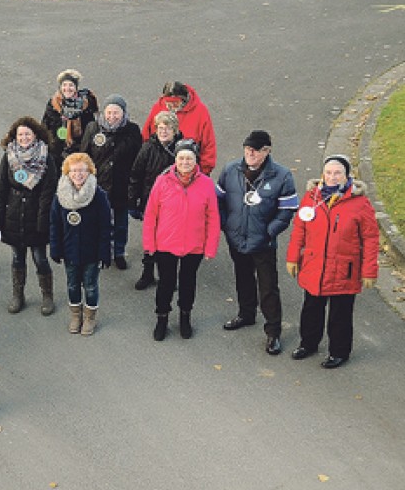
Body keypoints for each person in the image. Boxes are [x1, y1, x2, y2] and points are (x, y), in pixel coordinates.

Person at [285, 155, 379, 369]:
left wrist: (369, 271)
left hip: (344, 269)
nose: (332, 177)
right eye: (328, 173)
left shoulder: (360, 204)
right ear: (322, 175)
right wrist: (293, 257)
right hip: (314, 266)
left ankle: (339, 351)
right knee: (311, 309)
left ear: (347, 176)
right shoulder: (311, 198)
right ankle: (308, 344)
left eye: (338, 173)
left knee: (340, 314)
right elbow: (299, 230)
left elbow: (371, 238)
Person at [216, 131, 298, 356]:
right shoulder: (230, 170)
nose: (250, 153)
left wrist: (269, 232)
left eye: (256, 150)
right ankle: (246, 314)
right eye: (247, 149)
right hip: (236, 237)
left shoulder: (281, 176)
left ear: (267, 151)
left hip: (263, 242)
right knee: (242, 277)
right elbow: (218, 200)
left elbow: (287, 209)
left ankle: (273, 332)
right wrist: (226, 225)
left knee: (268, 287)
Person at [142, 140, 220, 341]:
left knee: (188, 282)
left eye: (189, 158)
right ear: (175, 159)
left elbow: (213, 217)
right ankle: (162, 318)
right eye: (181, 158)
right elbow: (151, 214)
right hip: (165, 244)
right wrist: (149, 244)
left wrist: (210, 247)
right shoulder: (162, 181)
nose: (185, 162)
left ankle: (185, 317)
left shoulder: (206, 184)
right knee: (165, 283)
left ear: (196, 161)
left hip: (194, 245)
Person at [0, 117, 58, 315]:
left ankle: (47, 296)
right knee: (17, 258)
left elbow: (48, 192)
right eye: (20, 134)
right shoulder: (9, 156)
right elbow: (1, 188)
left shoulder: (46, 157)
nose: (24, 137)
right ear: (15, 136)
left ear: (35, 135)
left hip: (36, 213)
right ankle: (18, 295)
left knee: (40, 258)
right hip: (14, 215)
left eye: (27, 134)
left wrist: (43, 220)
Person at [49, 153, 113, 335]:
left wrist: (105, 253)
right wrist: (55, 248)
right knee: (72, 285)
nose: (78, 174)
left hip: (92, 251)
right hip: (69, 250)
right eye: (74, 170)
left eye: (82, 171)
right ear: (67, 173)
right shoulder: (59, 196)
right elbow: (55, 224)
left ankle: (90, 318)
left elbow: (106, 226)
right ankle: (76, 316)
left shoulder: (99, 195)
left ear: (89, 172)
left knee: (91, 285)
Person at [79, 94, 141, 270]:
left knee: (121, 223)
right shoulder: (92, 128)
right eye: (109, 112)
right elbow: (84, 156)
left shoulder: (132, 130)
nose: (112, 116)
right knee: (97, 222)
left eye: (117, 112)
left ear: (123, 113)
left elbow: (138, 159)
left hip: (122, 185)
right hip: (98, 185)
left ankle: (119, 252)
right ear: (103, 112)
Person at [128, 111, 182, 290]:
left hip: (174, 206)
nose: (163, 131)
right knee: (150, 239)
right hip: (151, 201)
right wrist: (132, 201)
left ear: (175, 130)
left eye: (167, 128)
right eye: (160, 128)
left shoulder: (182, 149)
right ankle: (148, 273)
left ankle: (168, 277)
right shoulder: (147, 148)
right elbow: (136, 175)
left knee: (171, 241)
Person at [140, 81, 217, 175]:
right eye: (168, 103)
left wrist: (204, 170)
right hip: (158, 168)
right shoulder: (158, 107)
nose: (171, 107)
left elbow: (208, 143)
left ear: (183, 100)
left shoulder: (201, 112)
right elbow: (146, 136)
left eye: (175, 103)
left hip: (189, 169)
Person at [41, 69, 98, 169]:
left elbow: (91, 129)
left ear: (76, 87)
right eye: (64, 85)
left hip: (80, 152)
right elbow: (44, 127)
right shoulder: (53, 105)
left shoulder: (85, 104)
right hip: (57, 153)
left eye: (71, 85)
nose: (67, 88)